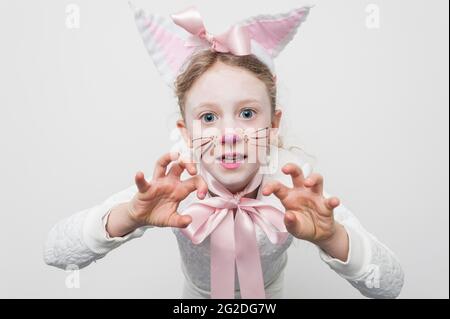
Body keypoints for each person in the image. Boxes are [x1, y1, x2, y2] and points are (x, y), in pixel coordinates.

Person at [44, 5, 404, 299]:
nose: (229, 134)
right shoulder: (174, 186)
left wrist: (332, 237)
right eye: (209, 117)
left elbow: (391, 286)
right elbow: (55, 252)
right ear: (185, 132)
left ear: (274, 123)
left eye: (247, 113)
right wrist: (129, 216)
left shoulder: (293, 187)